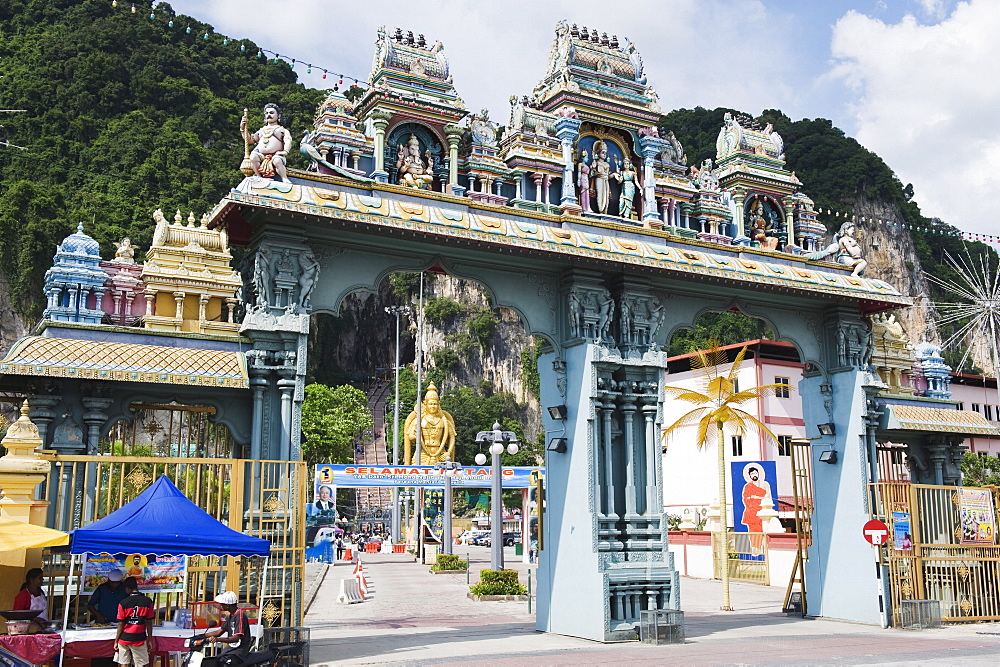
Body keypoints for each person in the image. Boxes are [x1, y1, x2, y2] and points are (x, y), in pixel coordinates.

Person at [403, 383, 457, 465]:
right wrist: (416, 436)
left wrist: (448, 452)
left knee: (446, 474)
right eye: (430, 404)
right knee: (416, 473)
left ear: (438, 405)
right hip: (423, 453)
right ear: (426, 404)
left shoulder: (444, 421)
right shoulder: (419, 420)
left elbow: (452, 437)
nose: (433, 406)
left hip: (440, 453)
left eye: (435, 404)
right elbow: (409, 436)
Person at [241, 103, 292, 181]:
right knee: (253, 157)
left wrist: (285, 151)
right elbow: (249, 140)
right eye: (267, 113)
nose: (269, 115)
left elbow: (288, 140)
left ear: (278, 116)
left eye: (271, 113)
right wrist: (243, 128)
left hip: (276, 155)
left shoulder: (281, 130)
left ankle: (284, 178)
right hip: (261, 155)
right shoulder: (262, 130)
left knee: (277, 161)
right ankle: (259, 176)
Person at [114, 577, 153, 667]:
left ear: (127, 589)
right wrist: (150, 639)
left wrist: (116, 640)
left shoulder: (123, 603)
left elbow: (121, 624)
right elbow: (149, 622)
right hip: (139, 637)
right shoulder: (147, 601)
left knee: (124, 662)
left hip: (124, 637)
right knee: (141, 663)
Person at [204, 591, 252, 666]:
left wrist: (217, 640)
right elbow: (219, 632)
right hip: (231, 649)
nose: (220, 605)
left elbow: (236, 638)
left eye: (222, 604)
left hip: (238, 651)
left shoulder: (239, 615)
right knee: (215, 661)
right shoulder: (230, 616)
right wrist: (203, 635)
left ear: (227, 605)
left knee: (225, 663)